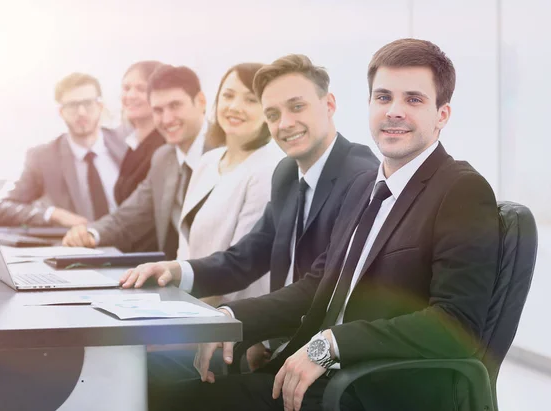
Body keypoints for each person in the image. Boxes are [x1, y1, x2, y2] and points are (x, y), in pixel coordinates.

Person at [157, 39, 500, 411]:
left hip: (374, 390)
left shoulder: (461, 190)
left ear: (442, 114)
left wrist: (332, 344)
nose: (394, 111)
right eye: (383, 97)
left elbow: (455, 321)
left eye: (413, 100)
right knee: (164, 390)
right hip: (319, 379)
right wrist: (231, 318)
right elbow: (318, 285)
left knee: (175, 400)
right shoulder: (364, 187)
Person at [121, 54, 378, 372]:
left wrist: (235, 319)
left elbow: (323, 285)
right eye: (273, 113)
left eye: (297, 107)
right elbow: (246, 257)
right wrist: (177, 270)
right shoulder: (286, 173)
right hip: (277, 352)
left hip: (324, 366)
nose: (284, 123)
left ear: (329, 105)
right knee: (136, 371)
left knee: (147, 380)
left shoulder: (361, 174)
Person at [62, 65, 219, 257]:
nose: (167, 119)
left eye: (175, 106)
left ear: (201, 101)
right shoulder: (164, 158)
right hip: (177, 277)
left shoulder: (226, 149)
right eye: (158, 110)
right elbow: (129, 216)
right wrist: (90, 233)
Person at [177, 63, 285, 306]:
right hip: (190, 306)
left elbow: (240, 266)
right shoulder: (208, 161)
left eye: (250, 100)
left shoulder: (268, 169)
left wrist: (192, 316)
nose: (235, 107)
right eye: (228, 96)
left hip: (233, 319)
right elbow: (185, 249)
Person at [0, 73, 127, 227]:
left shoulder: (126, 146)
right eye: (72, 105)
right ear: (61, 112)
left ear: (100, 106)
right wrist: (53, 214)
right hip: (78, 247)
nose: (81, 112)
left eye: (88, 103)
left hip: (131, 246)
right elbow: (0, 208)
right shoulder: (43, 158)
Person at [114, 60, 165, 206]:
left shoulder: (164, 147)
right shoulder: (133, 144)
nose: (130, 95)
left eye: (141, 89)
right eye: (126, 88)